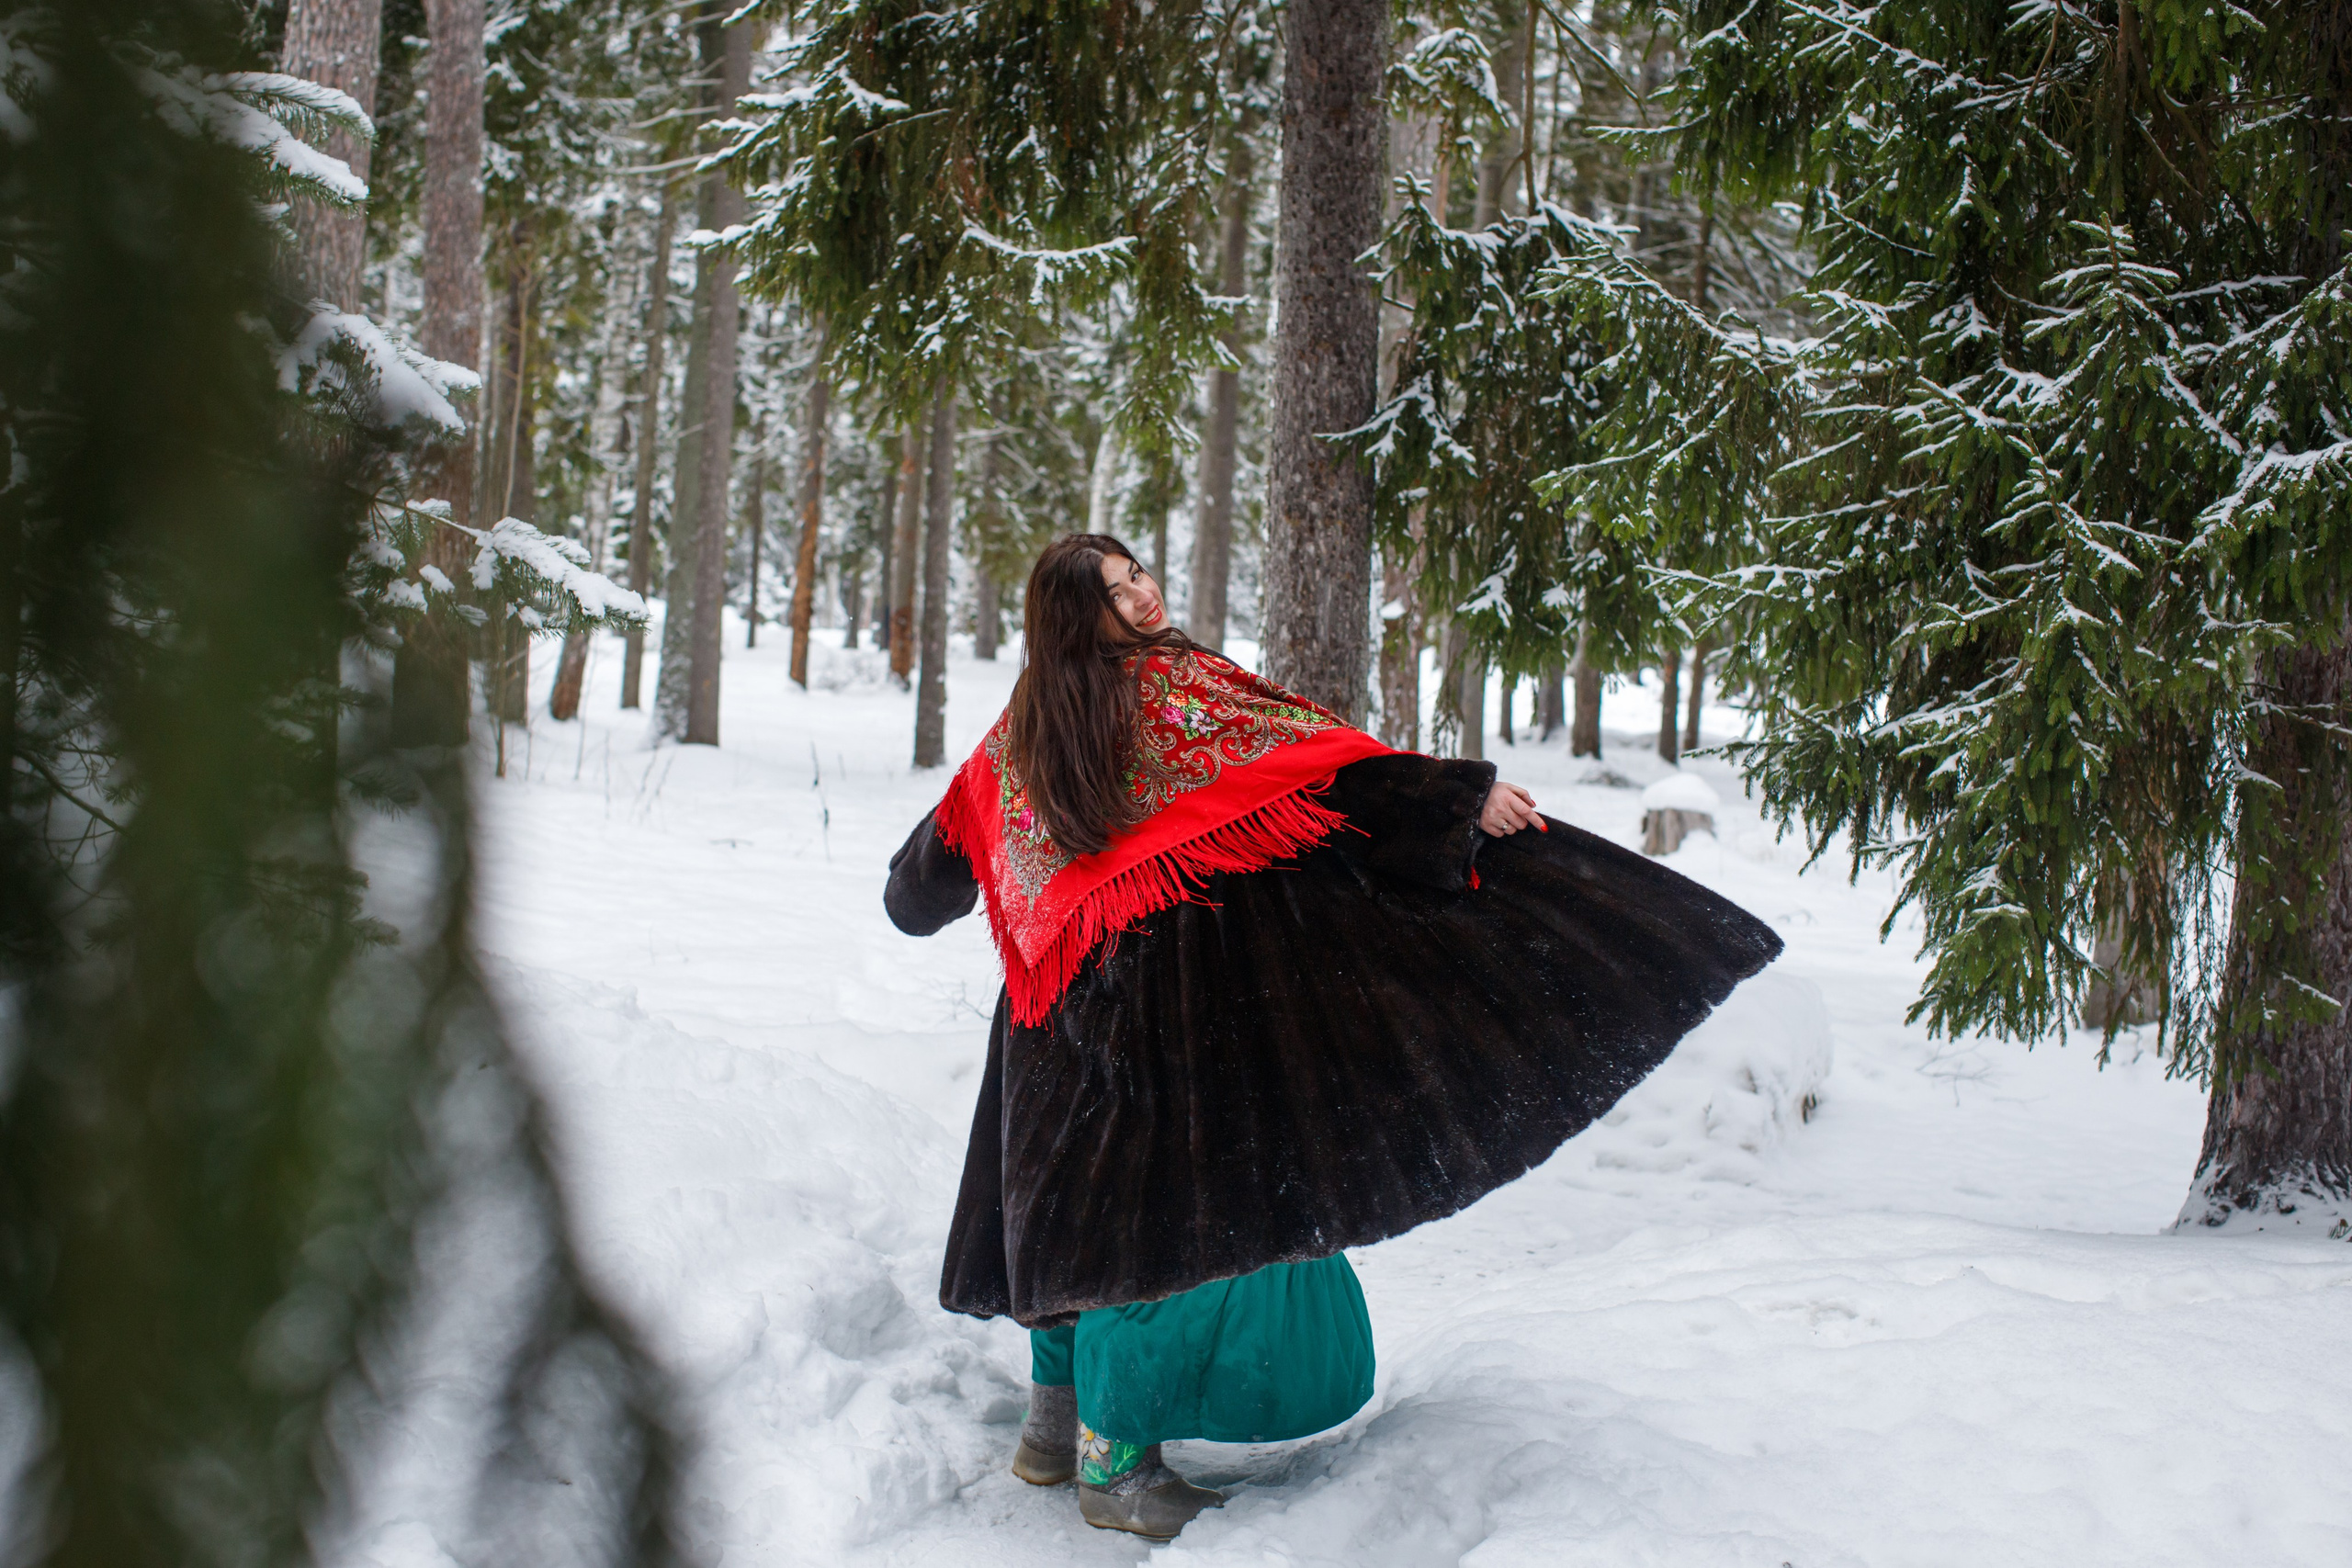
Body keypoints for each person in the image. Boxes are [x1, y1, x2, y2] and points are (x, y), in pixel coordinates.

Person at [885, 534, 1781, 1540]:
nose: (1141, 594)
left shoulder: (1013, 743)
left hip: (1050, 1020)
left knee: (1069, 1225)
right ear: (1072, 616)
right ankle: (1117, 1471)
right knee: (1156, 1245)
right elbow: (1321, 770)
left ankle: (1052, 1438)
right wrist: (1454, 803)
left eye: (1136, 573)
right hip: (1172, 1015)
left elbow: (918, 890)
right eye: (1114, 590)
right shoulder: (1179, 692)